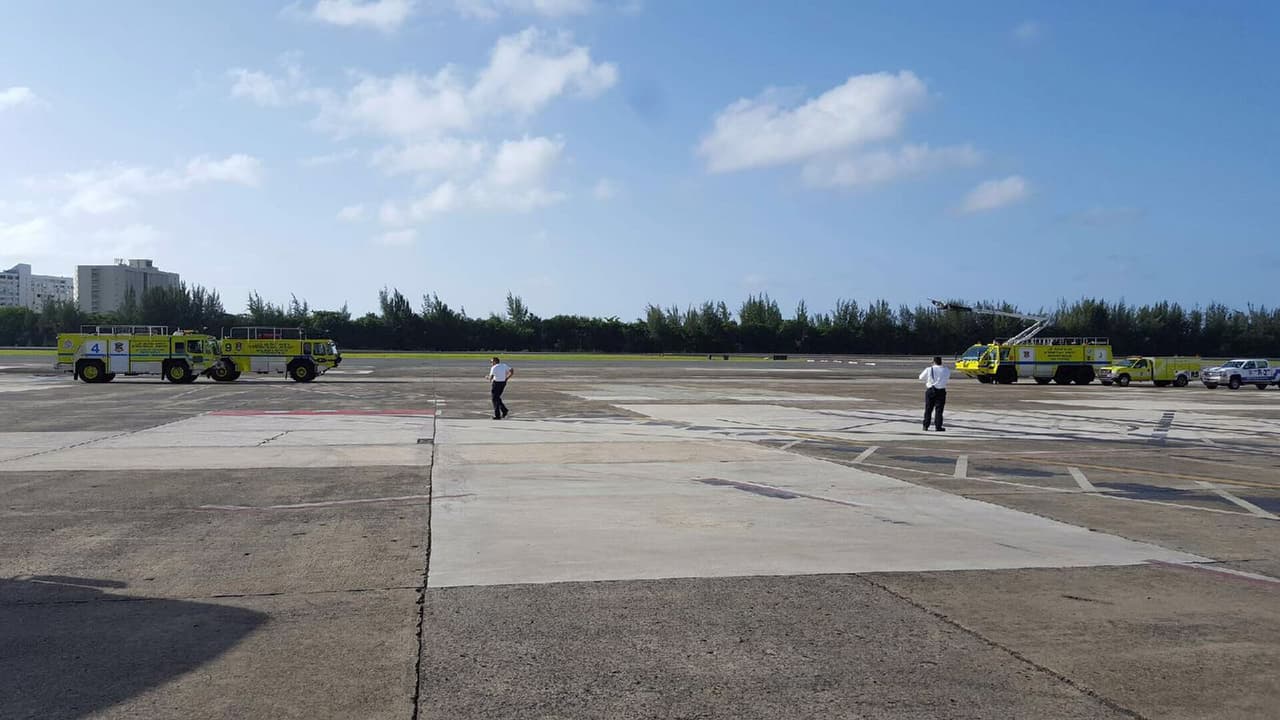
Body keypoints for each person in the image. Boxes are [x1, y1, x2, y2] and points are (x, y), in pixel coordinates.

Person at [918, 356, 951, 431]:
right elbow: (947, 378)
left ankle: (926, 426)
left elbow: (920, 377)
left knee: (928, 409)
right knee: (939, 410)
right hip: (941, 391)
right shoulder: (946, 370)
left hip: (931, 390)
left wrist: (929, 380)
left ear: (933, 362)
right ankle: (938, 426)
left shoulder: (929, 369)